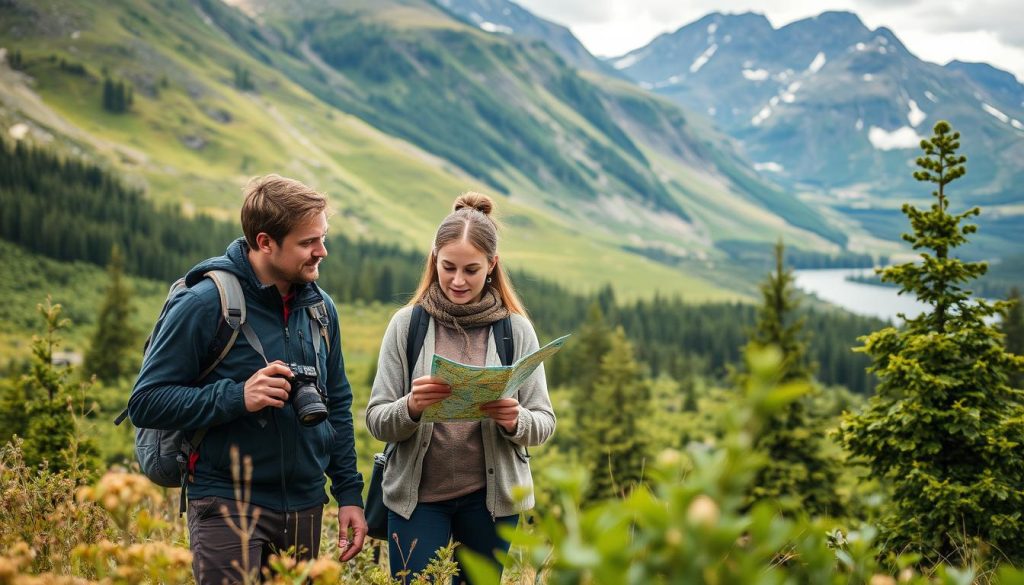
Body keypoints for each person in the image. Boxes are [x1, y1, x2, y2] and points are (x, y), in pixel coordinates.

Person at [128, 174, 366, 584]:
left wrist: (348, 494)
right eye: (308, 242)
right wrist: (239, 396)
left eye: (323, 237)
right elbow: (147, 401)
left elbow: (338, 405)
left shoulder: (321, 310)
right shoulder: (204, 302)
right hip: (225, 500)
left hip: (305, 502)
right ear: (265, 242)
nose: (322, 251)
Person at [366, 192, 556, 583]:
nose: (457, 280)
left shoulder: (515, 330)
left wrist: (515, 419)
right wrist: (412, 408)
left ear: (492, 266)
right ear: (433, 259)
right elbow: (376, 419)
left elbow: (544, 422)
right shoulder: (407, 325)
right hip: (417, 502)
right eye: (448, 267)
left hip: (491, 503)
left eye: (471, 270)